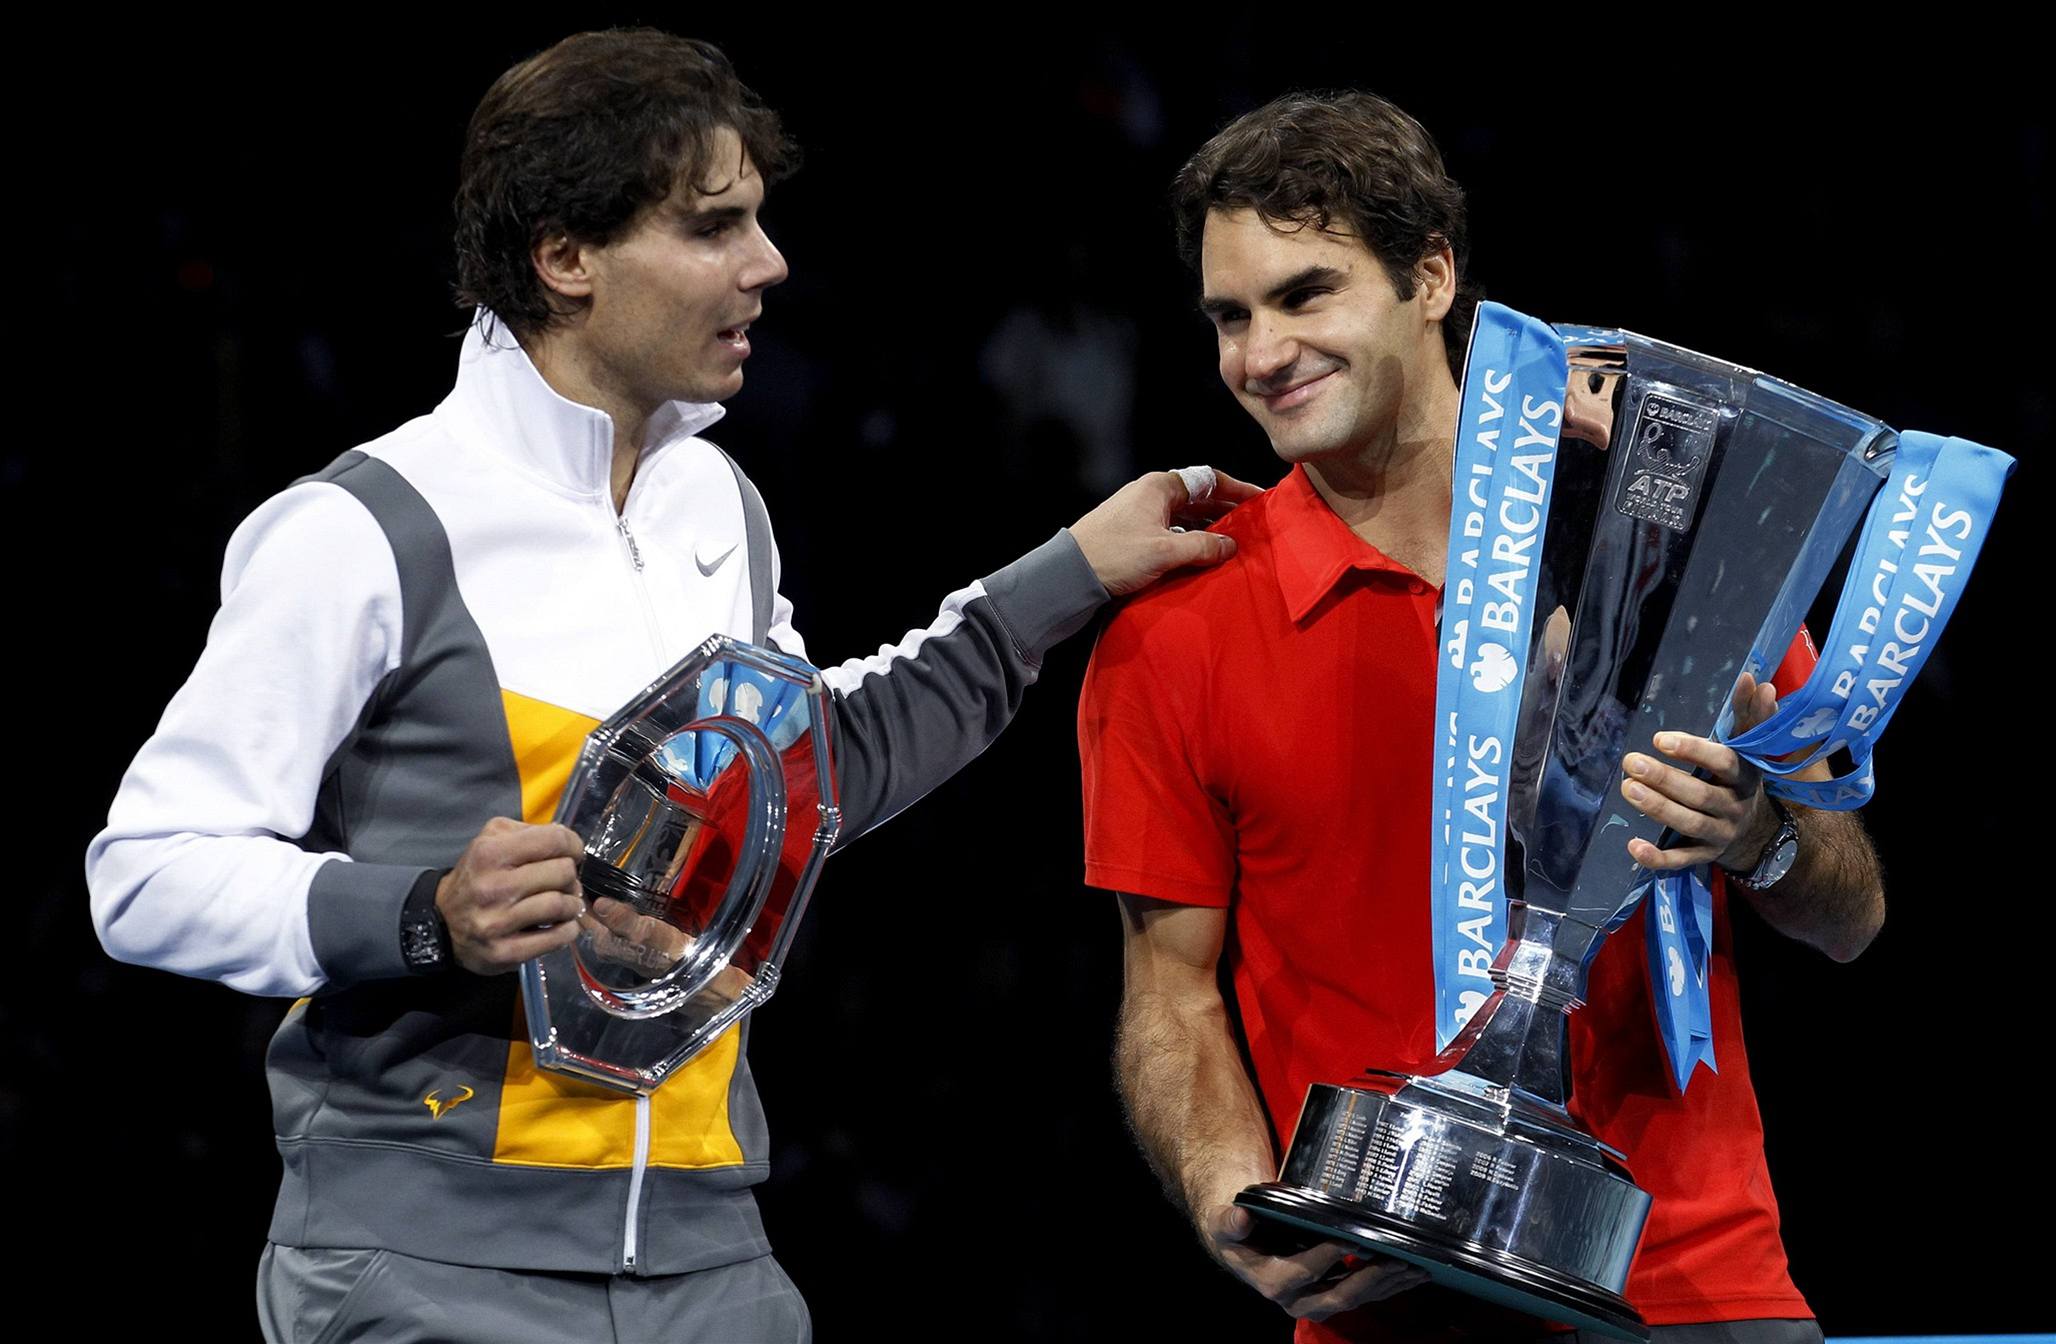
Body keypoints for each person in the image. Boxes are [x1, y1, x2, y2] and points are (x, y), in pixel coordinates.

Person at [85, 30, 1253, 1344]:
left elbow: (812, 782)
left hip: (711, 1260)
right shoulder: (364, 529)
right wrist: (423, 913)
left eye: (756, 218)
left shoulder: (717, 503)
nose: (769, 263)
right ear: (565, 258)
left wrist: (1071, 572)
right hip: (430, 1270)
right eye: (713, 227)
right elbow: (145, 874)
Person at [1077, 91, 1885, 1344]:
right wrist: (1225, 1188)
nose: (1260, 354)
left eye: (1305, 295)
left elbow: (1851, 915)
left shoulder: (1671, 558)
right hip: (1382, 1299)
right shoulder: (1171, 632)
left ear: (1432, 277)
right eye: (1229, 316)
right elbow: (1169, 991)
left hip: (1694, 1292)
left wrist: (1758, 835)